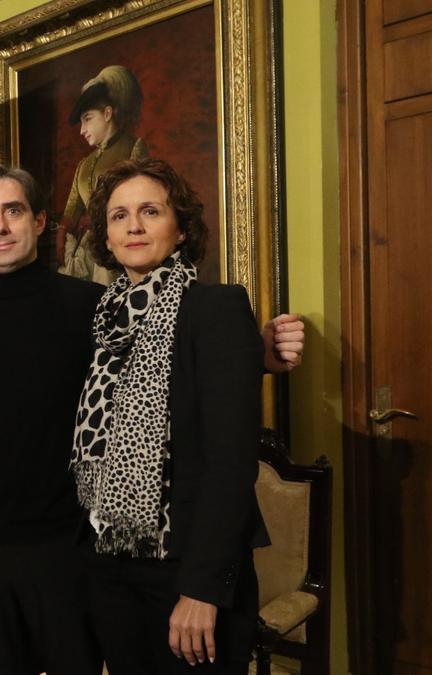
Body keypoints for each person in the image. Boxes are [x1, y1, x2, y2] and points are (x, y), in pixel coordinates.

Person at [0, 164, 304, 675]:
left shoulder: (103, 307)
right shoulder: (96, 315)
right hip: (55, 560)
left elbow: (218, 441)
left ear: (40, 221)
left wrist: (251, 355)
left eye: (13, 211)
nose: (0, 226)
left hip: (94, 555)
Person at [72, 157, 268, 673]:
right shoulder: (101, 320)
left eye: (150, 211)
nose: (133, 226)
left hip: (185, 571)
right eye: (118, 216)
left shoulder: (216, 310)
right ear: (106, 237)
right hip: (108, 562)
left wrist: (202, 591)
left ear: (180, 228)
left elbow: (231, 464)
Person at [57, 65, 148, 284]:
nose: (82, 130)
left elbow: (139, 201)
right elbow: (73, 207)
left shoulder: (133, 148)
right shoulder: (84, 164)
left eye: (87, 119)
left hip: (116, 251)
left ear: (107, 114)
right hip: (84, 253)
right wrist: (62, 233)